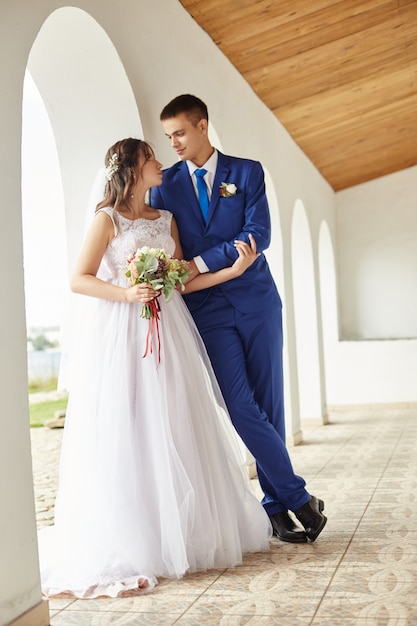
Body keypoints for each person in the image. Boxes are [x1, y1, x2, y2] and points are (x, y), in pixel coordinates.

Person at [38, 138, 271, 599]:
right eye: (151, 158)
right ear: (131, 168)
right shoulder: (107, 220)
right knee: (130, 428)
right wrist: (127, 293)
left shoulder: (165, 219)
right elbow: (78, 278)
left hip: (170, 334)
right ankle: (134, 538)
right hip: (124, 336)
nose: (160, 163)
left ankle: (181, 534)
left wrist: (232, 272)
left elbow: (181, 280)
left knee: (177, 422)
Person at [150, 94, 327, 544]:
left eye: (180, 133)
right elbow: (178, 251)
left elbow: (258, 234)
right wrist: (207, 265)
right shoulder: (164, 186)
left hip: (258, 301)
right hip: (206, 311)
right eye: (168, 135)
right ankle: (296, 495)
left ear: (203, 125)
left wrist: (199, 262)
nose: (173, 142)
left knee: (270, 404)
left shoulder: (247, 172)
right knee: (238, 404)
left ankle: (274, 507)